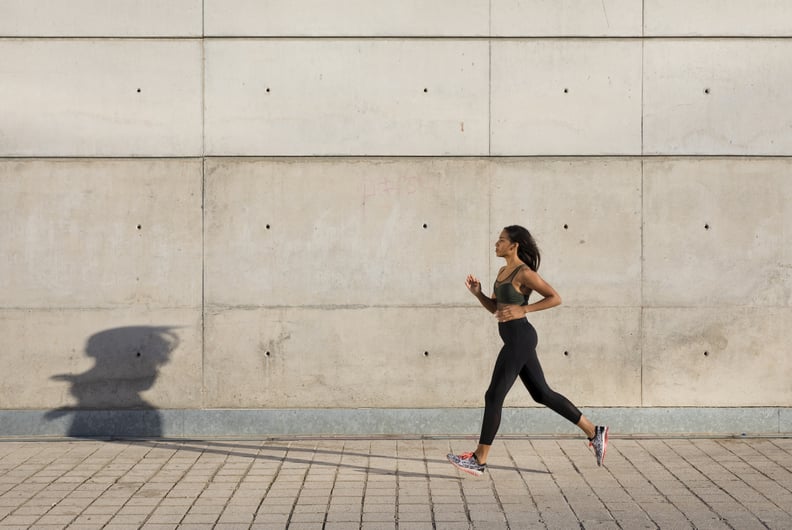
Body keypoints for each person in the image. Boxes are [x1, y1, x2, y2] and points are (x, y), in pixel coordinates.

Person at [447, 225, 608, 476]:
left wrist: (525, 309)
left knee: (493, 396)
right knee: (542, 393)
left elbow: (555, 297)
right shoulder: (502, 272)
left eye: (501, 240)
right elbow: (496, 310)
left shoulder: (524, 273)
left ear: (514, 245)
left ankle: (479, 459)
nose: (496, 243)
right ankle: (594, 432)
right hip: (514, 339)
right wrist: (478, 294)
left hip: (520, 339)